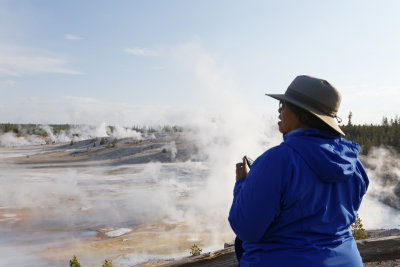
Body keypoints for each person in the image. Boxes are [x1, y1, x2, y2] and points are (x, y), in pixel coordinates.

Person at [228, 75, 369, 267]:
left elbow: (245, 228)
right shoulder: (354, 165)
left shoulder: (277, 161)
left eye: (283, 104)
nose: (279, 111)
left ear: (301, 113)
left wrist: (242, 184)